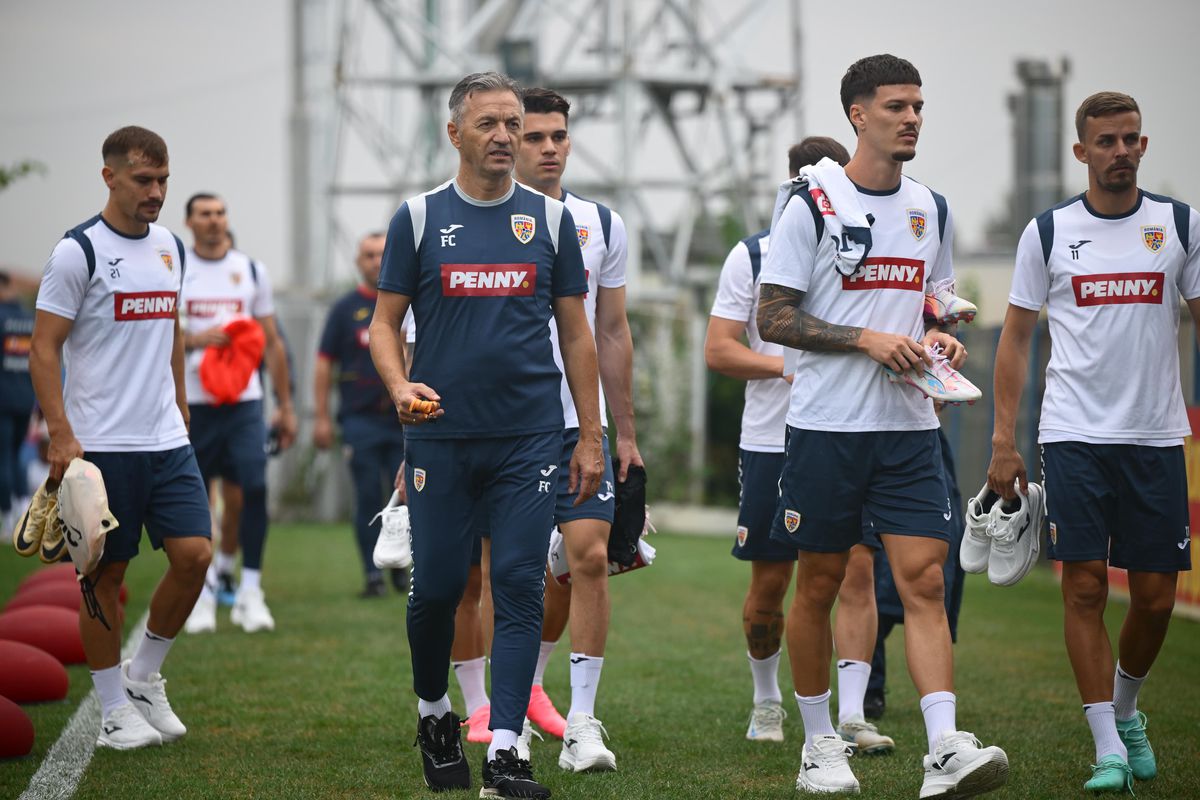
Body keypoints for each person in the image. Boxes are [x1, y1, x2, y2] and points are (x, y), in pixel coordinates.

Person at [756, 55, 1008, 796]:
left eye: (919, 107)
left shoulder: (932, 206)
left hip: (908, 425)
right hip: (828, 426)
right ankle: (818, 744)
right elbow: (773, 316)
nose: (912, 119)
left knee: (925, 581)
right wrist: (864, 339)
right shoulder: (810, 203)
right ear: (858, 115)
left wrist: (943, 331)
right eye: (896, 106)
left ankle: (943, 750)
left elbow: (938, 297)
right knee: (821, 583)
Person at [369, 71, 603, 799]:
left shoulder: (554, 222)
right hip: (440, 439)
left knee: (518, 585)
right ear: (455, 134)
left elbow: (578, 334)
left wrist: (589, 435)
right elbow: (382, 325)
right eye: (490, 125)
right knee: (438, 588)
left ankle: (506, 751)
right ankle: (435, 712)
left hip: (531, 437)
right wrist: (401, 387)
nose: (505, 136)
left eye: (513, 123)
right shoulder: (416, 219)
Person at [987, 91, 1197, 794]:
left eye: (1130, 139)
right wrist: (1003, 441)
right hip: (1073, 433)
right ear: (1082, 152)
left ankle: (1128, 710)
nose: (1120, 152)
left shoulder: (1179, 226)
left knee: (1157, 598)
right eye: (1105, 142)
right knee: (1082, 588)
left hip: (1157, 435)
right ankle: (1106, 746)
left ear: (1143, 144)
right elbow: (1015, 339)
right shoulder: (1047, 232)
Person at [448, 86, 643, 772]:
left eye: (559, 136)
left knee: (589, 558)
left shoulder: (603, 225)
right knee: (513, 576)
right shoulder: (461, 221)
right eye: (535, 136)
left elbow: (611, 332)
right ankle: (510, 713)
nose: (549, 148)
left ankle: (584, 721)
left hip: (577, 430)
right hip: (501, 433)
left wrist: (622, 431)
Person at [705, 136, 894, 756]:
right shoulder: (754, 254)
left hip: (849, 430)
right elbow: (719, 349)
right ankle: (767, 699)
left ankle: (853, 713)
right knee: (772, 580)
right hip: (771, 441)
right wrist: (781, 369)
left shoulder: (872, 242)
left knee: (857, 574)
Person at [28, 125, 212, 749]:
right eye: (143, 180)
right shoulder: (76, 251)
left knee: (196, 558)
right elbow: (43, 349)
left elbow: (173, 331)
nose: (156, 191)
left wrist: (182, 402)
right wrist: (60, 435)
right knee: (107, 579)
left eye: (163, 179)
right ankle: (111, 710)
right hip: (99, 447)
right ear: (109, 177)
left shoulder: (169, 246)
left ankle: (144, 678)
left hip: (166, 438)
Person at [179, 192, 297, 634]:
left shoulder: (249, 270)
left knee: (254, 486)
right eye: (205, 214)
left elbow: (273, 341)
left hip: (245, 401)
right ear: (189, 222)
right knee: (196, 500)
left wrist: (285, 405)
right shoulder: (178, 269)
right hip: (193, 402)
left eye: (220, 213)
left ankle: (250, 589)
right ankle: (204, 593)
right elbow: (163, 335)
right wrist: (194, 339)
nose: (214, 221)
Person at [313, 231, 409, 597]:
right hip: (361, 419)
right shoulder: (344, 309)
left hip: (403, 419)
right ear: (358, 262)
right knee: (369, 494)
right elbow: (324, 365)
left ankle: (400, 564)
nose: (376, 262)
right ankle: (372, 573)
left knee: (405, 494)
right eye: (369, 255)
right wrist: (321, 417)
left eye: (383, 254)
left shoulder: (409, 303)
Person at [0, 270, 35, 531]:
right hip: (26, 398)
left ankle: (7, 515)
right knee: (16, 455)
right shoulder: (27, 318)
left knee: (4, 458)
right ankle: (24, 510)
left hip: (4, 398)